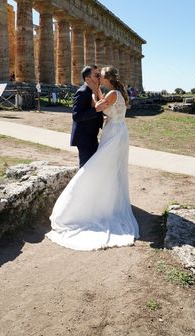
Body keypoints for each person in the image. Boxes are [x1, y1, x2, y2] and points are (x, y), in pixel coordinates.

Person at [47, 65, 140, 251]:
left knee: (99, 168)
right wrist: (95, 95)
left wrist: (96, 95)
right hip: (108, 132)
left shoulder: (111, 93)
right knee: (99, 168)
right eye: (96, 75)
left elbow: (101, 107)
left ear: (107, 78)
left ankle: (93, 203)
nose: (98, 76)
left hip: (114, 133)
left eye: (100, 74)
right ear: (89, 77)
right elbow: (80, 115)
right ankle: (90, 202)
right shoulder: (88, 92)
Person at [70, 65, 105, 168]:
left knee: (92, 167)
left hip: (91, 136)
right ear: (87, 79)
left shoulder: (94, 91)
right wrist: (95, 110)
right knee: (86, 168)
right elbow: (76, 116)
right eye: (96, 75)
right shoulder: (82, 92)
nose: (99, 77)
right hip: (84, 138)